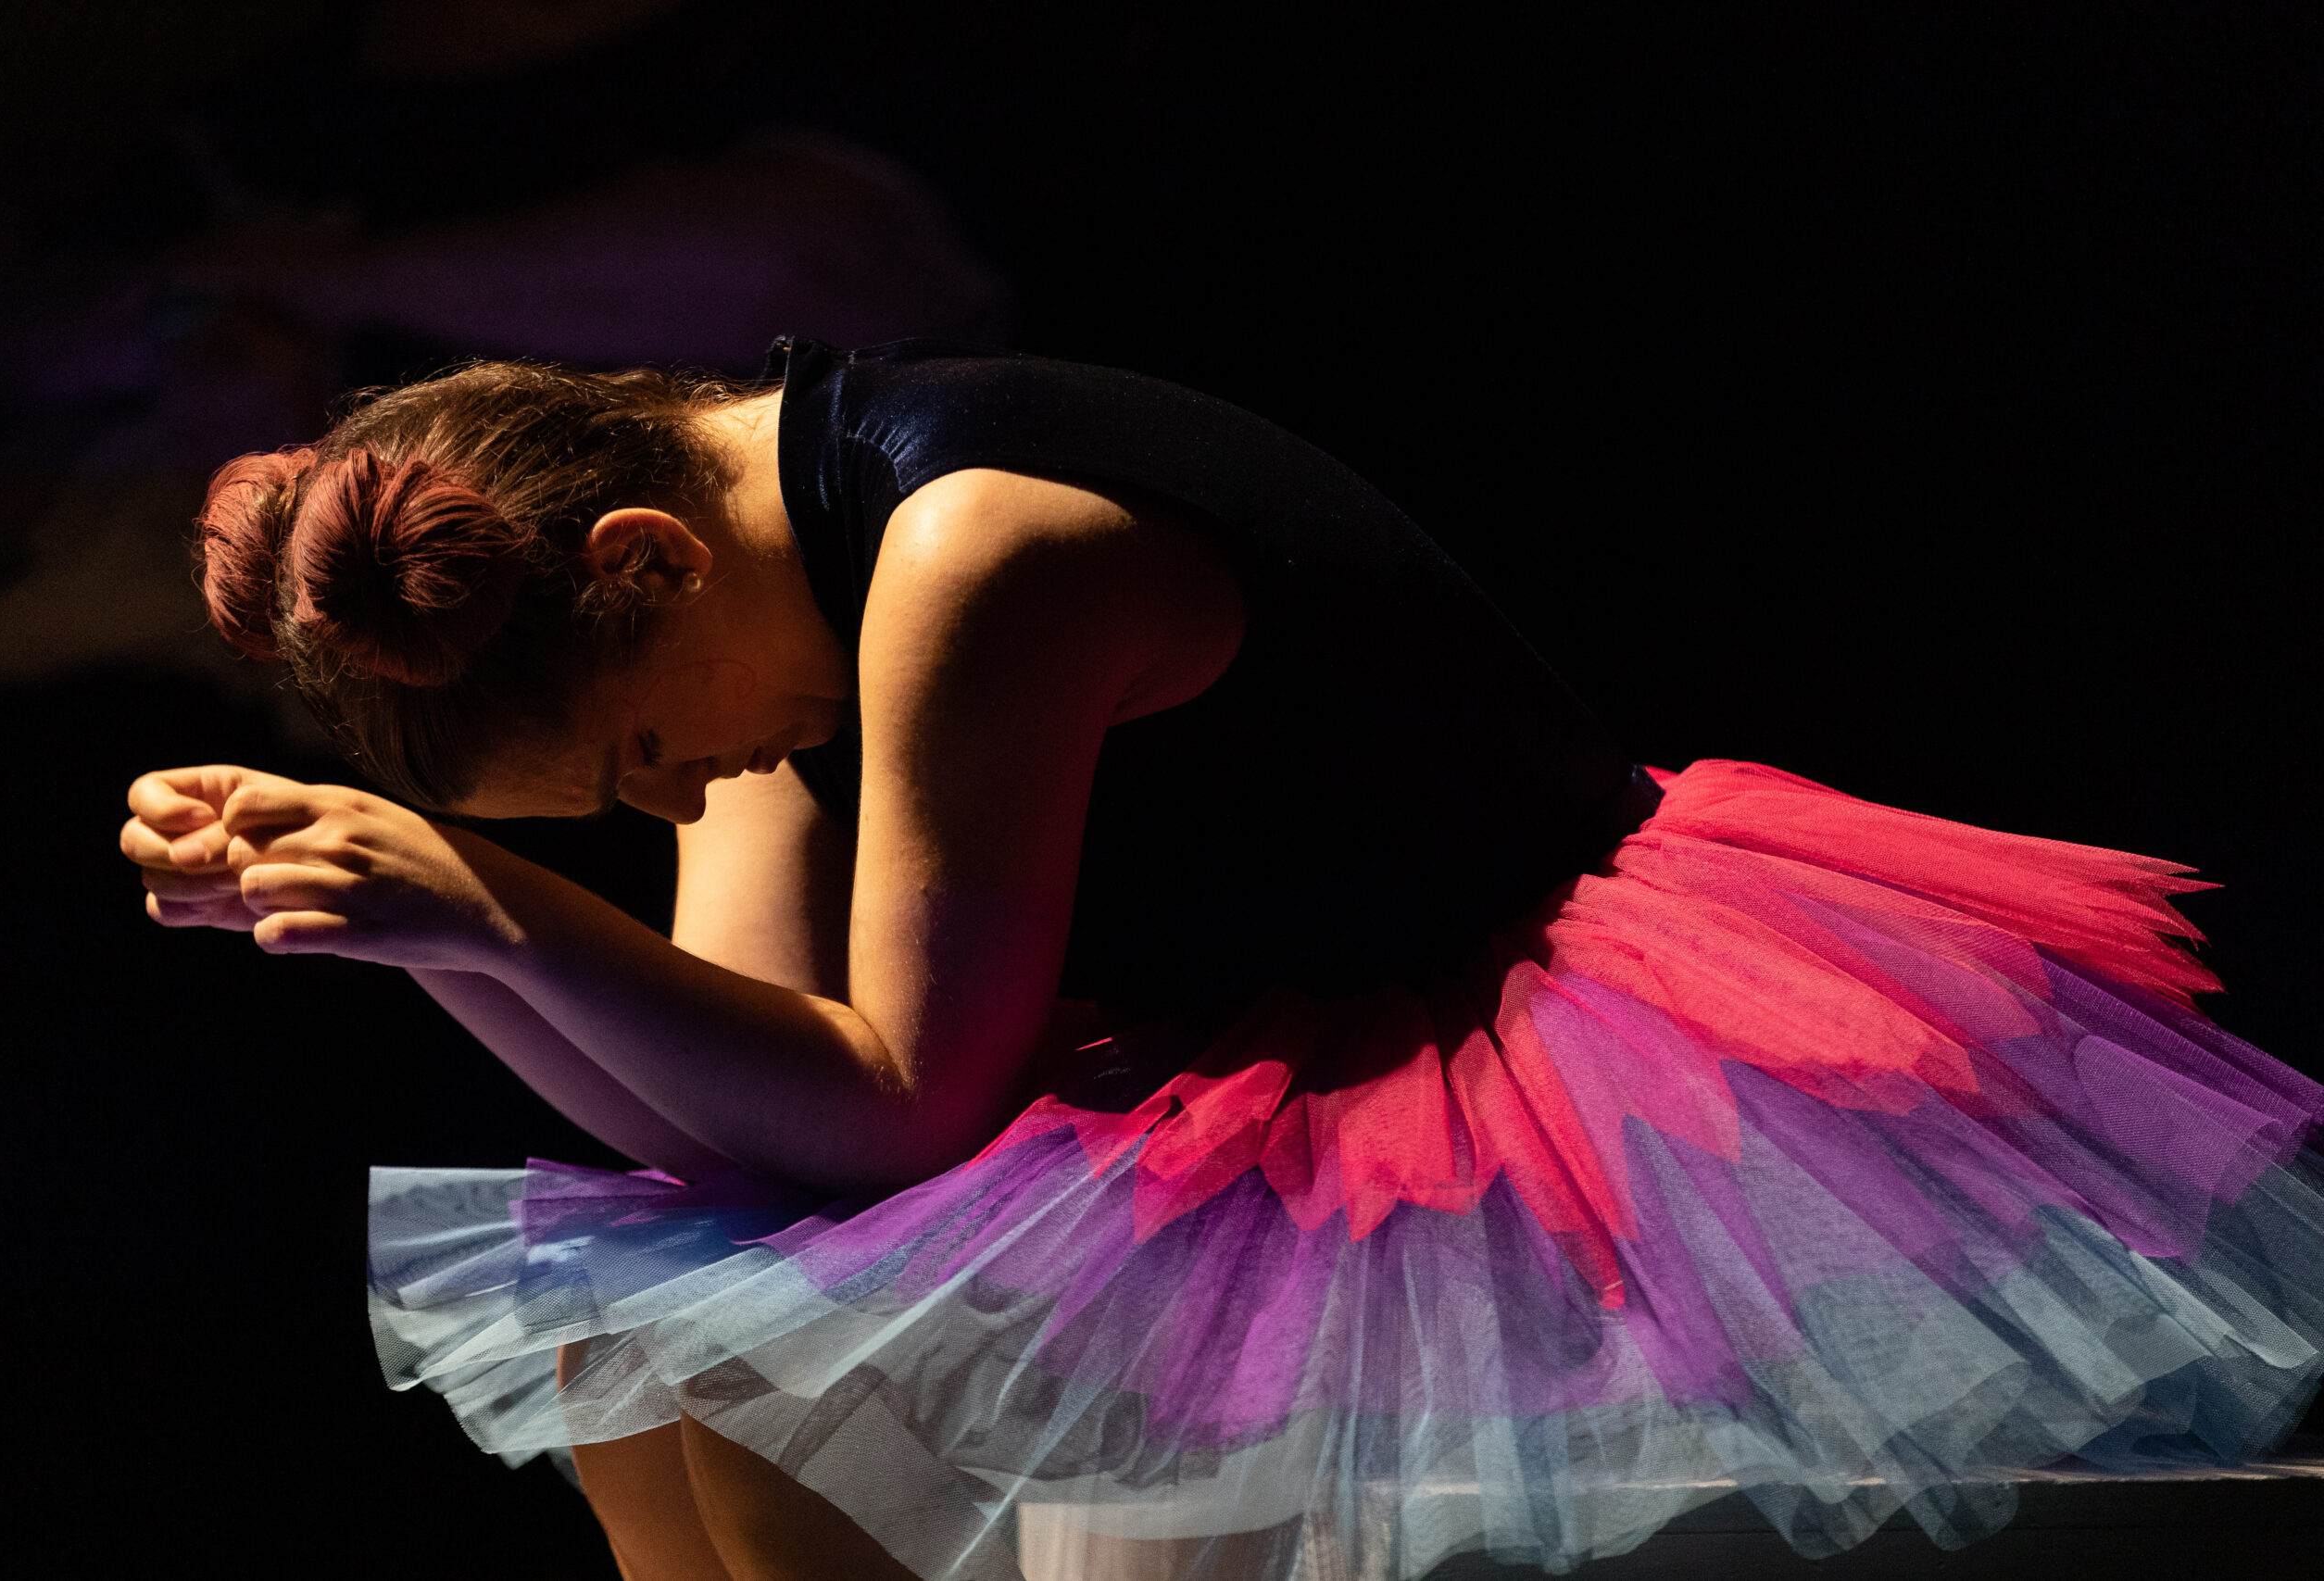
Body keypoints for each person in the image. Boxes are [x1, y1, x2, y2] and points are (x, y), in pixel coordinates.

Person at [120, 338, 2324, 1581]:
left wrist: (496, 907)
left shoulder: (980, 550)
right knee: (661, 1374)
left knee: (812, 1418)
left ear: (643, 556)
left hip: (1501, 1035)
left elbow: (892, 1108)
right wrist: (421, 932)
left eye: (633, 759)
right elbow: (746, 1134)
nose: (674, 797)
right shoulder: (741, 600)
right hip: (1207, 1057)